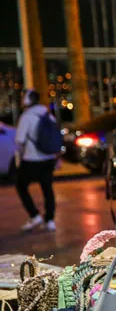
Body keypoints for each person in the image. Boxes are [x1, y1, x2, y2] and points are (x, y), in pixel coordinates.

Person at [15, 89, 59, 232]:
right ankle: (50, 220)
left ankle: (34, 215)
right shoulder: (48, 114)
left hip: (31, 159)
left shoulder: (26, 116)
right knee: (47, 189)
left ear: (27, 100)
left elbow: (20, 140)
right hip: (48, 159)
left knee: (21, 186)